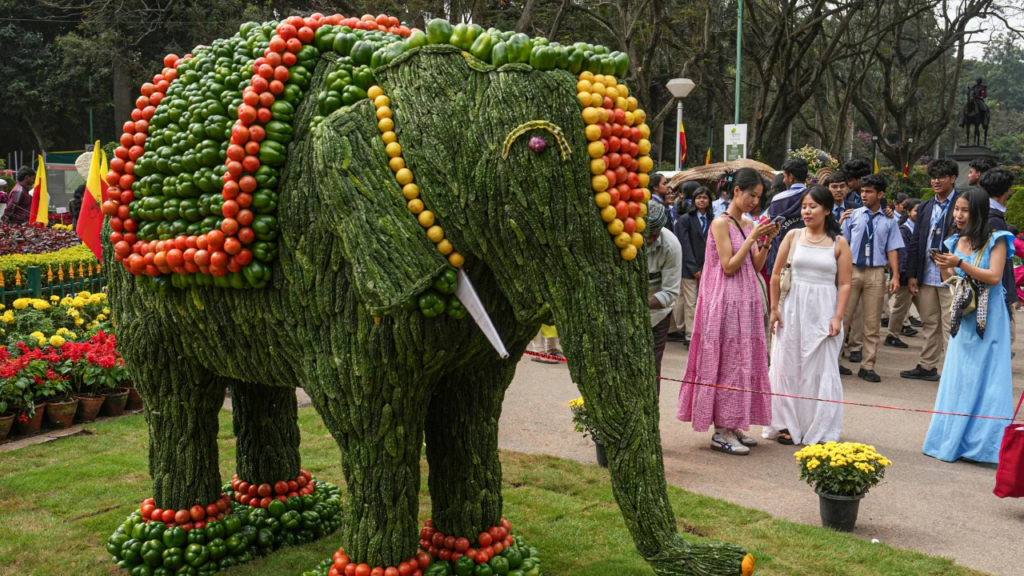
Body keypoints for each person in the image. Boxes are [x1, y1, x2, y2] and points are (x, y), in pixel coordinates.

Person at [677, 168, 780, 455]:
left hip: (746, 301)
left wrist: (767, 239)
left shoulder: (747, 223)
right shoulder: (720, 224)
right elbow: (728, 265)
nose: (754, 202)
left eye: (759, 197)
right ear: (736, 191)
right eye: (751, 195)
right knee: (727, 362)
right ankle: (721, 430)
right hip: (723, 302)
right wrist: (752, 238)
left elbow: (755, 266)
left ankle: (733, 423)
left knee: (742, 361)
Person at [922, 187, 1014, 464]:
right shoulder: (954, 240)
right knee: (959, 375)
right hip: (963, 313)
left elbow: (994, 276)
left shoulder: (996, 239)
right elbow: (951, 278)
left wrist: (960, 262)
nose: (959, 215)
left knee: (990, 377)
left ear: (978, 212)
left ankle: (985, 446)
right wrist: (942, 264)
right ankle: (951, 439)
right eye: (957, 209)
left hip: (992, 317)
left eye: (965, 210)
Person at [764, 185, 852, 445]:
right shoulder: (792, 236)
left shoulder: (839, 242)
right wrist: (774, 309)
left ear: (827, 210)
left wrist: (837, 316)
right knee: (786, 363)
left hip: (823, 310)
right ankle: (785, 424)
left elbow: (845, 283)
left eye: (813, 206)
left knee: (821, 368)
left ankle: (820, 427)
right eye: (804, 206)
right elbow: (776, 274)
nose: (807, 211)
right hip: (791, 309)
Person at [840, 174, 902, 382]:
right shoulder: (852, 216)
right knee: (843, 318)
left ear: (880, 194)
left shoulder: (889, 220)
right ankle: (835, 362)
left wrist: (895, 276)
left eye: (869, 192)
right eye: (862, 191)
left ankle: (868, 365)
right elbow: (842, 245)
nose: (864, 195)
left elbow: (892, 249)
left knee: (872, 322)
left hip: (876, 272)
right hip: (852, 271)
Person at [902, 158, 960, 381]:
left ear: (953, 179)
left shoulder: (961, 203)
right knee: (929, 322)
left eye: (941, 177)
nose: (936, 181)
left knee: (950, 325)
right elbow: (916, 241)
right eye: (933, 177)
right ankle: (927, 366)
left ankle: (952, 371)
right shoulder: (926, 206)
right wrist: (912, 275)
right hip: (926, 273)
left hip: (950, 276)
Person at [646, 200, 682, 393]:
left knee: (651, 366)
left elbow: (670, 291)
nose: (650, 240)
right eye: (646, 235)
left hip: (657, 315)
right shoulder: (620, 238)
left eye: (654, 234)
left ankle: (651, 413)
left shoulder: (671, 246)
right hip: (622, 312)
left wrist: (637, 305)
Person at [980, 167, 1018, 345]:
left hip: (984, 287)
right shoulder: (994, 219)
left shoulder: (980, 213)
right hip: (995, 291)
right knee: (1002, 339)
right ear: (1007, 190)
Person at [672, 186, 712, 346]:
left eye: (705, 197)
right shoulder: (685, 220)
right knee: (691, 302)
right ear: (694, 200)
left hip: (707, 267)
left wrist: (706, 267)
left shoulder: (712, 220)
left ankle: (687, 330)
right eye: (699, 197)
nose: (702, 200)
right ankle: (690, 336)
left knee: (697, 301)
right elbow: (684, 245)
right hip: (689, 268)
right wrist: (694, 269)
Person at [885, 199, 923, 348]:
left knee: (927, 311)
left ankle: (934, 339)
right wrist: (901, 275)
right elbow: (903, 255)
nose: (919, 214)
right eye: (916, 210)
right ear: (908, 212)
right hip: (905, 276)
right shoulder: (904, 230)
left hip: (916, 277)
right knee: (900, 308)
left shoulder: (919, 229)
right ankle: (892, 335)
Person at [766, 158, 810, 272]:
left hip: (782, 255)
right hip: (808, 252)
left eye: (785, 176)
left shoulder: (778, 199)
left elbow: (772, 229)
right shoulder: (814, 197)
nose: (784, 180)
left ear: (791, 177)